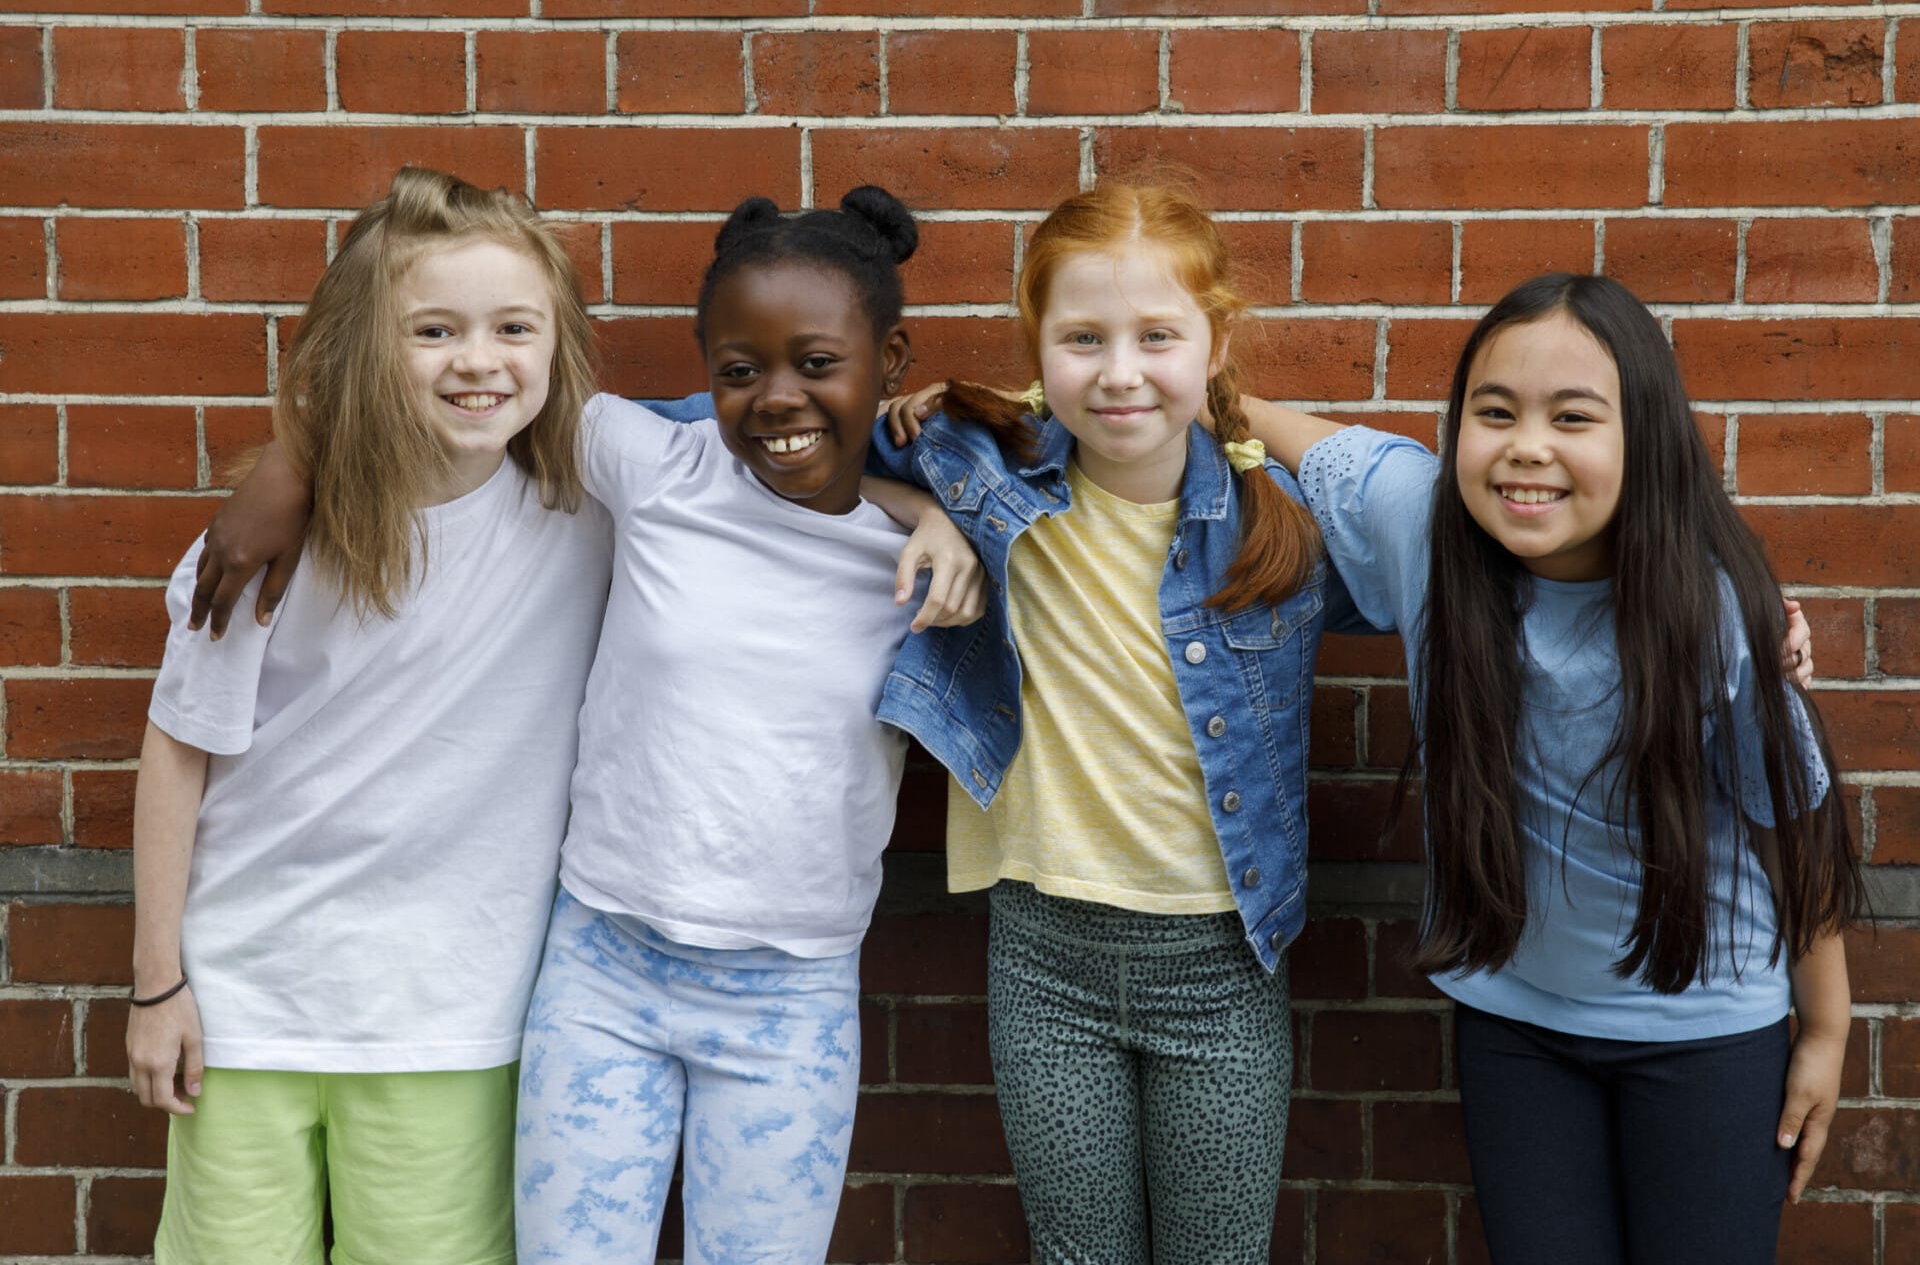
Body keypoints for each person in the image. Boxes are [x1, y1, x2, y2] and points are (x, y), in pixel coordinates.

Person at [184, 184, 984, 1264]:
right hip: (606, 964)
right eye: (739, 371)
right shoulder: (654, 469)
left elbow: (1080, 460)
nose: (777, 397)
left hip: (790, 991)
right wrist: (294, 461)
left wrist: (936, 509)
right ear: (707, 372)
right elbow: (467, 396)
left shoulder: (931, 556)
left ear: (889, 362)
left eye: (818, 363)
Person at [1236, 272, 1862, 1264]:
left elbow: (1791, 815)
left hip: (1708, 1030)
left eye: (1573, 416)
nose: (1527, 445)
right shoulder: (1422, 523)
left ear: (1643, 439)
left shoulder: (1711, 616)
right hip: (1516, 1024)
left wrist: (1826, 1027)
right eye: (1495, 412)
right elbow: (1275, 426)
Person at [871, 180, 1370, 1264]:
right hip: (1048, 953)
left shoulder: (1277, 528)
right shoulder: (978, 469)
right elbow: (806, 439)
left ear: (1216, 339)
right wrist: (929, 517)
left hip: (1222, 960)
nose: (1121, 371)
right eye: (1083, 338)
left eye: (1158, 336)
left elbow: (1438, 515)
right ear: (1036, 346)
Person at [126, 166, 612, 1265]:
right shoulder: (264, 549)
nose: (478, 359)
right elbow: (177, 750)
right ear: (364, 349)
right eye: (432, 329)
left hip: (451, 1014)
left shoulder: (591, 514)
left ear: (557, 345)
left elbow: (786, 454)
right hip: (246, 1001)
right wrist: (158, 981)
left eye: (513, 326)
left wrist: (924, 500)